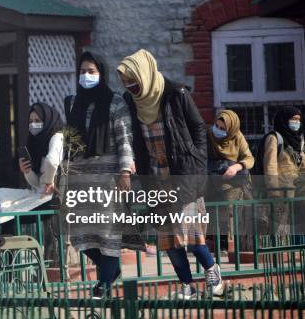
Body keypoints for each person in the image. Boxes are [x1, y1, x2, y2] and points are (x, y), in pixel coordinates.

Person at [119, 49, 222, 299]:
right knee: (168, 239)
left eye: (133, 80)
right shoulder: (132, 100)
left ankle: (212, 269)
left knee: (192, 233)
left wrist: (197, 159)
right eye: (125, 82)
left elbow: (198, 126)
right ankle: (187, 285)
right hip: (155, 177)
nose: (130, 86)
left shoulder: (176, 93)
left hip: (183, 172)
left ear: (146, 73)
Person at [64, 51, 143, 297]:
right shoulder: (73, 103)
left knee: (107, 233)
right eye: (82, 71)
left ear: (101, 73)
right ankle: (111, 269)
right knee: (81, 234)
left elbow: (125, 139)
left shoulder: (115, 102)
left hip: (109, 179)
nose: (86, 76)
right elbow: (70, 141)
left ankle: (104, 284)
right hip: (81, 179)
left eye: (91, 71)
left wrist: (125, 171)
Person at [206, 110, 254, 249]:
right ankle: (219, 246)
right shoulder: (208, 135)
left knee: (232, 212)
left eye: (223, 129)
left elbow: (249, 158)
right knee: (214, 213)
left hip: (235, 182)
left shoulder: (237, 137)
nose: (218, 130)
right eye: (217, 126)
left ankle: (233, 247)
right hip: (213, 180)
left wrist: (237, 167)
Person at [262, 106, 304, 235]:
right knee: (282, 225)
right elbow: (270, 165)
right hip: (282, 188)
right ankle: (283, 252)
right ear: (284, 120)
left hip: (298, 188)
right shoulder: (274, 138)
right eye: (293, 119)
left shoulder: (299, 140)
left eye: (298, 120)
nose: (296, 123)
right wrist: (273, 190)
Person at [19, 103, 64, 194]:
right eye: (31, 121)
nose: (33, 124)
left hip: (59, 195)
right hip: (43, 195)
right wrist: (28, 172)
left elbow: (51, 161)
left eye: (37, 120)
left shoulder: (57, 137)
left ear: (47, 120)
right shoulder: (35, 142)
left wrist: (48, 182)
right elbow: (38, 183)